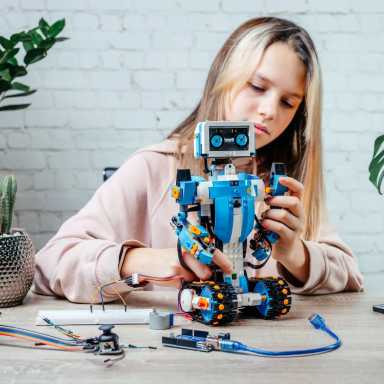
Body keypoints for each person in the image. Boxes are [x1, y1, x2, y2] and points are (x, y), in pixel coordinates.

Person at [34, 17, 364, 303]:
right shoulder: (154, 168)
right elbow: (50, 264)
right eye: (257, 86)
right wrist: (149, 260)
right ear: (223, 79)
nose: (269, 110)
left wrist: (296, 255)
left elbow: (348, 274)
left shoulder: (283, 187)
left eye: (288, 102)